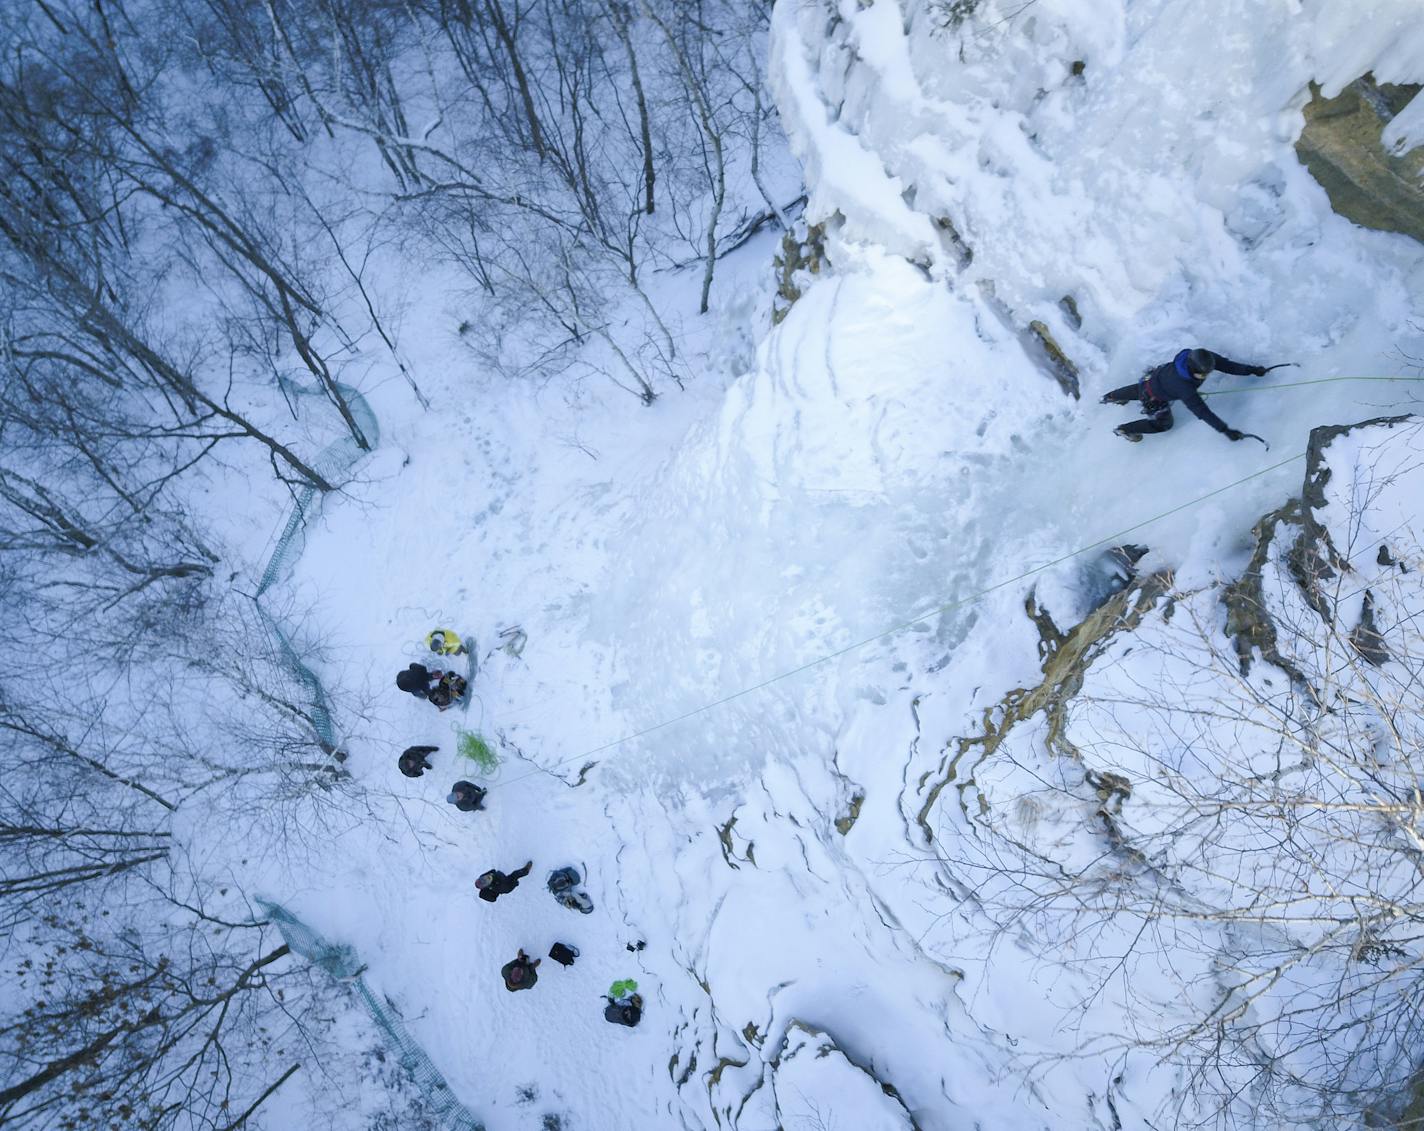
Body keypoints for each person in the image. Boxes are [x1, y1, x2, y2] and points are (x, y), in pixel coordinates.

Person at [1101, 348, 1271, 443]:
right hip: (1155, 396)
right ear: (1193, 370)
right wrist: (1225, 430)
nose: (1206, 375)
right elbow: (1202, 412)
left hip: (1154, 378)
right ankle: (1125, 429)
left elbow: (1227, 366)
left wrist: (1252, 370)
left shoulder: (1203, 358)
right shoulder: (1184, 388)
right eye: (1203, 375)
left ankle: (1111, 396)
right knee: (1163, 424)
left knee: (1143, 387)